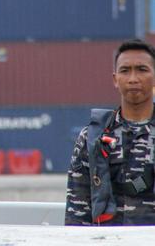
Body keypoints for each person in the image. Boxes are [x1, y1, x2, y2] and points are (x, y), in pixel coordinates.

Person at [65, 39, 155, 226]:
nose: (133, 78)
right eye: (125, 70)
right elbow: (77, 212)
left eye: (142, 70)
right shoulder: (92, 138)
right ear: (115, 79)